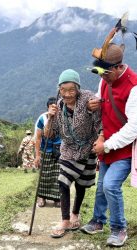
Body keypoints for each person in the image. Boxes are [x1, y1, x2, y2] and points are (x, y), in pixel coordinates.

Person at [81, 42, 137, 247]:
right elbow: (104, 107)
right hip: (107, 143)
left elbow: (133, 128)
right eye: (99, 73)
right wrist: (93, 105)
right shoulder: (105, 81)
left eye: (106, 73)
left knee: (111, 185)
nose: (102, 78)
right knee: (102, 185)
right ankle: (97, 221)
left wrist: (107, 144)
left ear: (119, 67)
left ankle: (119, 229)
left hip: (125, 147)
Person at [44, 69, 101, 238]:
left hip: (87, 149)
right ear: (59, 89)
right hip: (68, 150)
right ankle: (65, 220)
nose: (67, 94)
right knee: (63, 182)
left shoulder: (89, 99)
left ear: (78, 89)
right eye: (63, 90)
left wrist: (100, 139)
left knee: (81, 184)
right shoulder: (58, 106)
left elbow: (99, 121)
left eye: (71, 90)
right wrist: (50, 117)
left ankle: (75, 214)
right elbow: (49, 134)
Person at [34, 97, 61, 208]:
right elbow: (38, 138)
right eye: (52, 107)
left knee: (58, 175)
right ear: (48, 107)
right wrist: (37, 155)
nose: (54, 109)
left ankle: (57, 198)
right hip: (46, 150)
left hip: (59, 151)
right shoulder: (42, 118)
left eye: (56, 107)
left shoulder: (62, 118)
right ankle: (42, 197)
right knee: (44, 175)